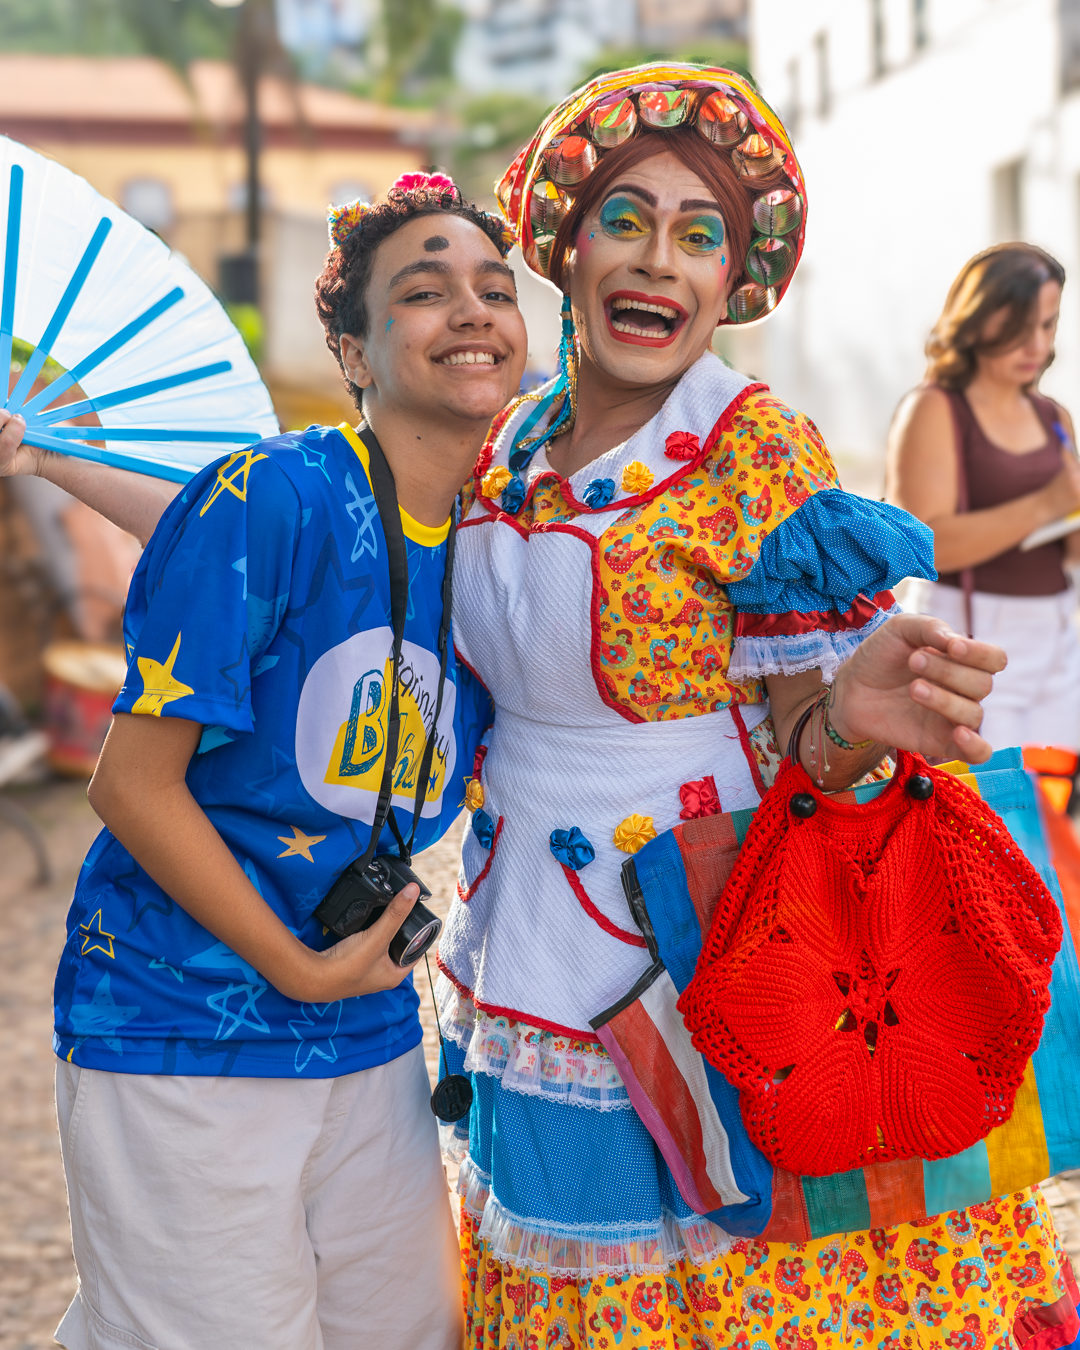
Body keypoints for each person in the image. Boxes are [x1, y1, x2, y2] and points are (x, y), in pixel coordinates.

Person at [432, 67, 1079, 1348]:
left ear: (736, 279)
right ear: (565, 241)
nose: (658, 262)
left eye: (699, 234)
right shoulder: (506, 440)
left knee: (750, 1278)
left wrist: (852, 717)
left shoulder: (756, 449)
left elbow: (805, 744)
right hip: (528, 942)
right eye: (627, 218)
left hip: (716, 934)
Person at [0, 174, 526, 1350]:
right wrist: (295, 965)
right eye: (427, 292)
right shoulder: (276, 489)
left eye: (497, 289)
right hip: (185, 1022)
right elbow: (129, 782)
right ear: (350, 343)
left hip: (370, 1024)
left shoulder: (509, 535)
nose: (474, 311)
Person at [888, 243, 1080, 754]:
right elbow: (923, 543)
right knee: (984, 810)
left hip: (1058, 637)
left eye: (1048, 324)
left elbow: (1070, 548)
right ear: (976, 316)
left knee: (1052, 812)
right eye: (1020, 326)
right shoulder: (933, 409)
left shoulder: (1054, 417)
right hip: (971, 638)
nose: (1036, 344)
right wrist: (1047, 503)